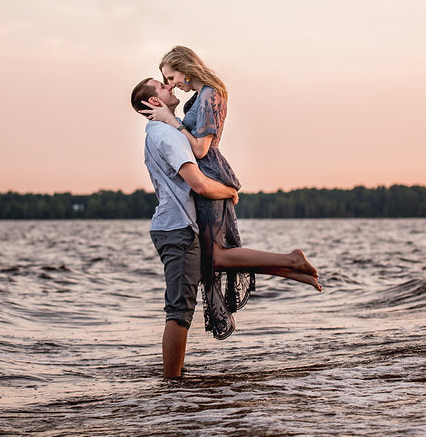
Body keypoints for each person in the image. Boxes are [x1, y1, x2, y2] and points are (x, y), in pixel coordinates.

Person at [142, 46, 319, 341]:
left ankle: (291, 260)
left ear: (184, 69)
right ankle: (292, 268)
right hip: (205, 178)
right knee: (213, 260)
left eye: (171, 77)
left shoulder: (210, 94)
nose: (171, 85)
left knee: (218, 257)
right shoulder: (201, 96)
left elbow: (200, 149)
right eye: (166, 81)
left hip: (210, 175)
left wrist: (171, 122)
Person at [130, 76, 240, 377]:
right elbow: (199, 184)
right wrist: (229, 191)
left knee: (182, 308)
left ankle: (175, 384)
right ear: (155, 101)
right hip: (176, 230)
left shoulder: (166, 130)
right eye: (163, 86)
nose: (171, 86)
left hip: (177, 227)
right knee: (179, 311)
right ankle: (172, 386)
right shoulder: (167, 136)